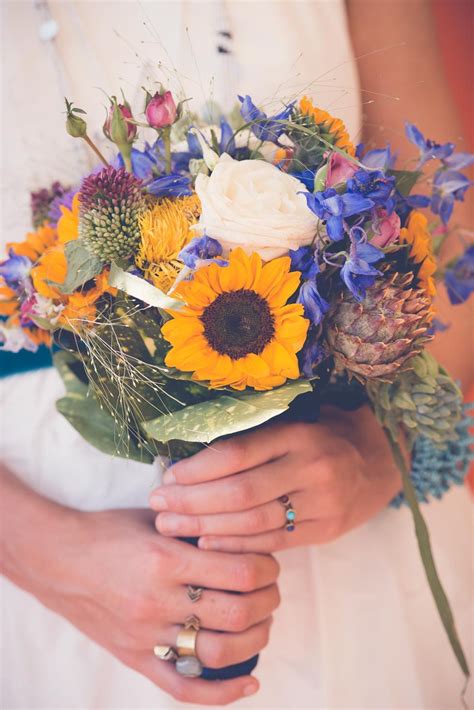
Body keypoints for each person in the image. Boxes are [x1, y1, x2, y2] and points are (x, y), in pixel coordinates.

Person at [1, 1, 472, 708]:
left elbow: (448, 260)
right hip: (46, 548)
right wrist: (38, 551)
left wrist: (377, 456)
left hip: (352, 528)